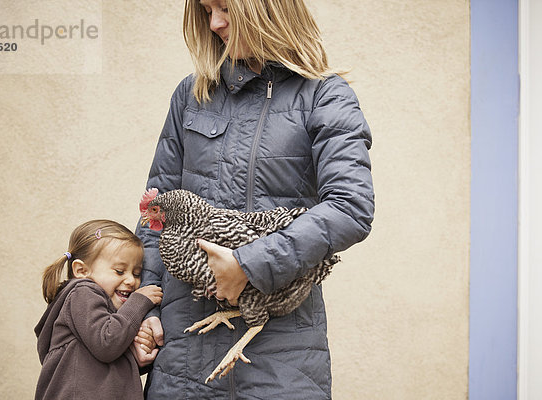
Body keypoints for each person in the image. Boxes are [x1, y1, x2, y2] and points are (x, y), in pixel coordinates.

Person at [133, 0, 374, 398]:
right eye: (206, 10)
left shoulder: (325, 96)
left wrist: (250, 265)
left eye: (225, 8)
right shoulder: (192, 95)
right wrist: (148, 307)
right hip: (182, 360)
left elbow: (350, 207)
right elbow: (158, 218)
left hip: (281, 363)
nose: (214, 23)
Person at [34, 219, 163, 400]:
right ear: (81, 270)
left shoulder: (108, 315)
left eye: (136, 273)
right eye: (119, 271)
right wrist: (140, 300)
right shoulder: (82, 293)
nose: (131, 281)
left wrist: (137, 355)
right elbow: (107, 343)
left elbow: (107, 367)